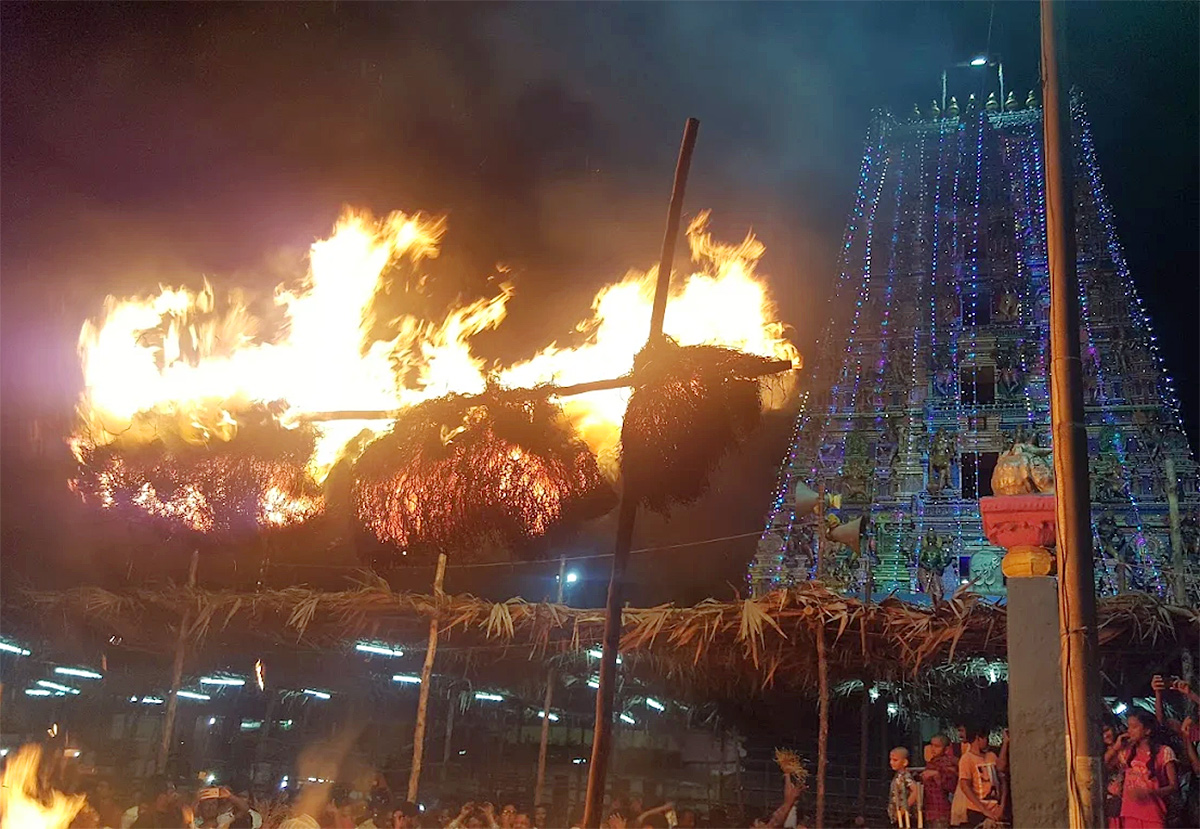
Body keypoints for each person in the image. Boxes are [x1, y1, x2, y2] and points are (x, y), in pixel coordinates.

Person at [1109, 709, 1178, 829]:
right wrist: (1116, 747)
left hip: (1154, 814)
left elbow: (1174, 786)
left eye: (1134, 727)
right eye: (1128, 727)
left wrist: (1151, 793)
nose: (1129, 731)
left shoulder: (1164, 752)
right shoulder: (1127, 752)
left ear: (1147, 730)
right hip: (1130, 812)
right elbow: (1105, 765)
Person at [951, 726, 1005, 828]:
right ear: (978, 738)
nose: (987, 741)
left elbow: (1002, 776)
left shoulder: (991, 756)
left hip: (995, 808)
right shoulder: (967, 759)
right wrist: (983, 810)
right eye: (985, 738)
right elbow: (965, 786)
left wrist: (1001, 806)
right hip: (977, 810)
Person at [922, 735, 959, 829]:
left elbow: (952, 787)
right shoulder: (932, 762)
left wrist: (937, 775)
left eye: (937, 746)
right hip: (929, 810)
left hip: (941, 810)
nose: (933, 749)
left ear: (946, 748)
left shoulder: (949, 763)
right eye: (932, 745)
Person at [887, 747, 918, 827]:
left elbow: (915, 791)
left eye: (895, 760)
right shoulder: (898, 775)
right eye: (891, 759)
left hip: (905, 815)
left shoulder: (905, 775)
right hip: (896, 813)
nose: (891, 762)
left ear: (904, 762)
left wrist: (904, 809)